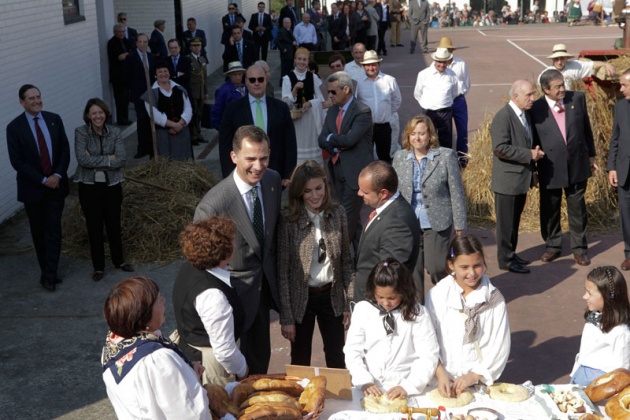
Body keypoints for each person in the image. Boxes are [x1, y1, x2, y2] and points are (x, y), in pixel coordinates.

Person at [195, 125, 282, 375]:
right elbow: (201, 266)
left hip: (263, 294)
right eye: (251, 159)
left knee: (259, 364)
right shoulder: (214, 205)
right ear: (234, 157)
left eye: (264, 158)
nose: (258, 166)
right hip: (231, 302)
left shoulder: (273, 181)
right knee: (233, 373)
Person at [278, 161, 355, 368]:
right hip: (302, 299)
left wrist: (349, 302)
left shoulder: (338, 214)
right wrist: (286, 317)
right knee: (300, 358)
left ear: (325, 186)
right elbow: (283, 273)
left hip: (332, 296)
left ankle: (338, 400)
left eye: (318, 188)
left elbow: (346, 262)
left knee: (337, 356)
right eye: (307, 191)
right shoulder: (289, 220)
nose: (314, 196)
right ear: (299, 193)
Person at [101, 276, 210, 419]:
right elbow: (190, 414)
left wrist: (187, 373)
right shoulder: (157, 361)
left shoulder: (112, 345)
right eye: (159, 300)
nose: (164, 301)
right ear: (144, 315)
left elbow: (148, 395)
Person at [425, 235, 511, 397]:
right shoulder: (437, 295)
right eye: (464, 267)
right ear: (451, 265)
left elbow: (500, 344)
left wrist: (474, 375)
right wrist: (439, 371)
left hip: (478, 383)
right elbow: (427, 339)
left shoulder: (494, 300)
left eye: (477, 266)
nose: (471, 273)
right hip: (441, 381)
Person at [393, 115, 466, 295]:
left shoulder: (446, 156)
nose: (417, 138)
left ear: (430, 135)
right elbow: (394, 192)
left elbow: (456, 192)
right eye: (413, 134)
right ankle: (419, 311)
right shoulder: (400, 157)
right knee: (413, 271)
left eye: (421, 133)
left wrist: (460, 224)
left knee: (435, 267)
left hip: (437, 219)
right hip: (409, 221)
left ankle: (449, 296)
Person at [344, 258, 440, 397]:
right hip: (369, 388)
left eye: (392, 298)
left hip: (406, 388)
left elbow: (428, 355)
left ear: (404, 291)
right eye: (380, 296)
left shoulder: (418, 314)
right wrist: (364, 380)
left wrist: (408, 386)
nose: (385, 303)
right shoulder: (363, 310)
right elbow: (353, 350)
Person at [6, 84, 70, 292]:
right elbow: (18, 162)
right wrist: (43, 180)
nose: (36, 101)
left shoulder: (54, 119)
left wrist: (57, 175)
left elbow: (64, 150)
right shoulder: (14, 128)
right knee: (39, 232)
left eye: (38, 96)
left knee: (53, 230)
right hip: (33, 189)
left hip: (56, 186)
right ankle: (47, 271)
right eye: (31, 98)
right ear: (22, 102)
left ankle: (49, 275)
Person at [531, 69, 596, 266]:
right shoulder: (535, 108)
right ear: (545, 89)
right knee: (550, 208)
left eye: (563, 84)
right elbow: (532, 140)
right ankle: (553, 246)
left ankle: (579, 249)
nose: (562, 89)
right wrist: (533, 169)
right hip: (549, 168)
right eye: (557, 86)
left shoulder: (577, 98)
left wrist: (592, 155)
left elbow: (586, 129)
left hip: (576, 164)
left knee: (577, 208)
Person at [173, 216, 249, 386]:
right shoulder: (213, 295)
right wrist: (243, 370)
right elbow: (224, 351)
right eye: (233, 241)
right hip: (210, 365)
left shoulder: (189, 267)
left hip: (189, 348)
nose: (236, 245)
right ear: (224, 251)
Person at [73, 98, 134, 282]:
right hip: (89, 187)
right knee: (94, 226)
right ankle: (98, 267)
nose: (97, 116)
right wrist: (109, 159)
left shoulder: (115, 132)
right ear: (88, 116)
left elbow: (122, 159)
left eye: (100, 112)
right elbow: (82, 160)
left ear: (105, 114)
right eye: (93, 113)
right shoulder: (81, 132)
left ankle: (119, 261)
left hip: (112, 185)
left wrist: (97, 159)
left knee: (114, 224)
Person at [491, 80, 544, 274]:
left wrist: (533, 172)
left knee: (514, 221)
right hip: (507, 181)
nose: (533, 99)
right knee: (506, 224)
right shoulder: (503, 117)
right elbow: (500, 148)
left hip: (520, 180)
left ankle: (511, 253)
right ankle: (505, 260)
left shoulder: (524, 115)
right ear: (516, 97)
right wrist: (528, 154)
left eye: (533, 94)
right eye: (529, 95)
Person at [318, 71, 374, 251]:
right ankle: (361, 257)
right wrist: (336, 141)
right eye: (328, 92)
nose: (329, 96)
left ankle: (338, 258)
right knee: (352, 219)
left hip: (355, 174)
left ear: (346, 89)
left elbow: (350, 140)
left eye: (333, 92)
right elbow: (321, 139)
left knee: (345, 219)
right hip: (336, 171)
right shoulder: (333, 110)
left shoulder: (362, 111)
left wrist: (332, 139)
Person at [219, 63, 297, 184]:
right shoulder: (233, 109)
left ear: (266, 80)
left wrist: (289, 172)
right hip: (245, 174)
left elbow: (290, 141)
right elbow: (225, 145)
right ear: (246, 82)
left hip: (275, 174)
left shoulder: (281, 108)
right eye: (252, 80)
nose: (257, 83)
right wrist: (229, 176)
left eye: (260, 79)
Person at [355, 161, 421, 301]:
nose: (359, 193)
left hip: (376, 306)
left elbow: (388, 277)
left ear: (383, 193)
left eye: (365, 191)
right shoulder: (387, 211)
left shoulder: (397, 224)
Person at [569, 266, 630, 386]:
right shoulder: (594, 316)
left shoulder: (620, 332)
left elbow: (622, 372)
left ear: (607, 296)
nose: (584, 296)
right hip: (580, 374)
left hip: (599, 383)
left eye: (589, 293)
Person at [282, 48, 327, 165]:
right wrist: (295, 90)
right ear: (295, 60)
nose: (301, 62)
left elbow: (321, 99)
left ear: (308, 61)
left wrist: (311, 103)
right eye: (299, 59)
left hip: (310, 119)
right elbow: (285, 103)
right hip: (296, 120)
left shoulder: (314, 77)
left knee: (312, 147)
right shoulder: (287, 78)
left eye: (304, 60)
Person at [355, 50, 401, 163]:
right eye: (367, 65)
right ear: (363, 66)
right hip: (366, 127)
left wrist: (385, 113)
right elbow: (355, 103)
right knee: (366, 157)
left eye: (373, 64)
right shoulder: (358, 83)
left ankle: (385, 180)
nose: (371, 68)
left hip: (383, 126)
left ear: (379, 65)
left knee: (384, 157)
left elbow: (397, 100)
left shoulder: (389, 80)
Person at [142, 61, 193, 161]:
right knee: (166, 162)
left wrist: (180, 124)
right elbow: (155, 116)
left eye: (165, 71)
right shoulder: (150, 94)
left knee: (183, 163)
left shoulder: (180, 89)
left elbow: (188, 108)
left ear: (170, 73)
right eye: (160, 72)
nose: (163, 74)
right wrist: (174, 125)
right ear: (155, 75)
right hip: (163, 135)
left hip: (182, 132)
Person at [413, 47, 458, 149]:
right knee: (426, 139)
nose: (442, 65)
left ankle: (446, 162)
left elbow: (454, 93)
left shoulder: (452, 75)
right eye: (439, 62)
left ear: (448, 62)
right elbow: (418, 93)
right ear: (435, 60)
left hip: (446, 112)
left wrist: (444, 103)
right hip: (429, 112)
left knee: (446, 140)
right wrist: (427, 105)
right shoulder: (423, 74)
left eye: (444, 62)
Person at [608, 69, 630, 271]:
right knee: (626, 215)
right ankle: (629, 253)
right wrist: (612, 167)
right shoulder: (621, 106)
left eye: (624, 85)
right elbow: (615, 138)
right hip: (625, 171)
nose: (620, 89)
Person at [438, 37, 471, 167]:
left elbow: (466, 83)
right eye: (444, 49)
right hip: (444, 101)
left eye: (448, 49)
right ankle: (446, 160)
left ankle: (462, 160)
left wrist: (459, 95)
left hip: (458, 101)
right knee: (445, 132)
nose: (447, 52)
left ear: (452, 50)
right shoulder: (436, 65)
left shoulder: (461, 64)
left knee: (462, 131)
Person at [124, 33, 155, 159]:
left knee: (151, 120)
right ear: (136, 43)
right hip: (139, 95)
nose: (143, 44)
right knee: (142, 121)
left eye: (145, 42)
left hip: (151, 94)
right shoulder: (131, 58)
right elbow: (126, 76)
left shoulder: (151, 57)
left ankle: (152, 147)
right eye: (141, 42)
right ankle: (142, 148)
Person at [538, 43, 616, 87]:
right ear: (552, 59)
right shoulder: (545, 74)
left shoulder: (575, 66)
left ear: (566, 58)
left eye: (562, 58)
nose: (559, 62)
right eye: (556, 59)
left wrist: (605, 64)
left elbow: (593, 65)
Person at [107, 23, 133, 125]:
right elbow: (118, 58)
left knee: (126, 99)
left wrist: (126, 54)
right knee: (120, 99)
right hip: (117, 77)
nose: (121, 33)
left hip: (127, 75)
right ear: (114, 32)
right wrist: (126, 54)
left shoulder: (127, 41)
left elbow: (132, 52)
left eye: (123, 31)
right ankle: (121, 119)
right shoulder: (112, 43)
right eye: (119, 32)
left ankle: (125, 118)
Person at [212, 61, 246, 131]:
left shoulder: (246, 88)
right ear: (230, 75)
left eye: (239, 74)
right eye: (234, 75)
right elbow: (216, 111)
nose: (238, 77)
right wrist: (222, 129)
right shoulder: (223, 91)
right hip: (230, 129)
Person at [188, 37, 208, 145]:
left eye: (199, 45)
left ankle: (198, 133)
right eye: (195, 46)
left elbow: (204, 77)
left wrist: (205, 91)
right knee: (193, 113)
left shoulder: (202, 59)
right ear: (191, 47)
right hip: (193, 91)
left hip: (200, 90)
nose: (197, 48)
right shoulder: (188, 59)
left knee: (200, 113)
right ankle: (193, 135)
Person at [275, 17, 297, 85]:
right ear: (283, 23)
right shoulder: (281, 31)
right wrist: (283, 49)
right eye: (286, 23)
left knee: (289, 67)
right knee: (285, 69)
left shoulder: (289, 30)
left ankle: (287, 81)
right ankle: (283, 82)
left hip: (291, 52)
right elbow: (276, 41)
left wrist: (294, 42)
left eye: (289, 23)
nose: (288, 24)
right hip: (286, 53)